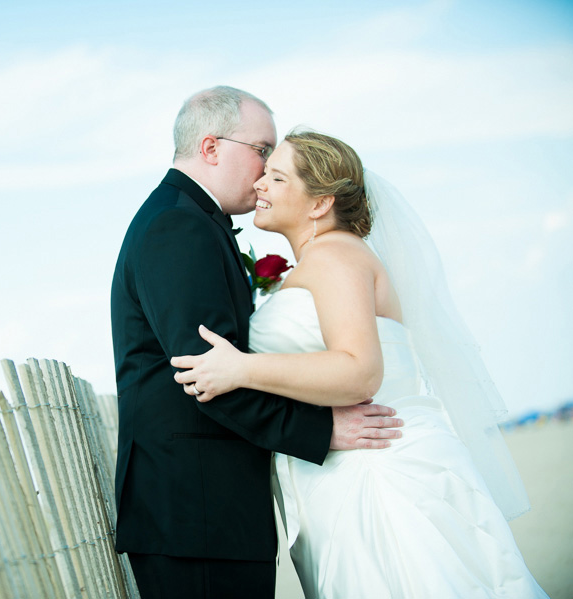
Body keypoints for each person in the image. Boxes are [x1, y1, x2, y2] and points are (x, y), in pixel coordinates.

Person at [171, 129, 547, 598]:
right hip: (355, 463)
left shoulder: (333, 256)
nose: (260, 185)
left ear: (319, 204)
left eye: (278, 178)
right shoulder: (328, 257)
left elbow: (359, 372)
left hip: (377, 474)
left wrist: (241, 369)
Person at [110, 87, 403, 598]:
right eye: (263, 150)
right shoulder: (179, 226)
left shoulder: (192, 220)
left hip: (206, 511)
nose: (267, 170)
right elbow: (203, 372)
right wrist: (322, 430)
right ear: (210, 148)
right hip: (194, 511)